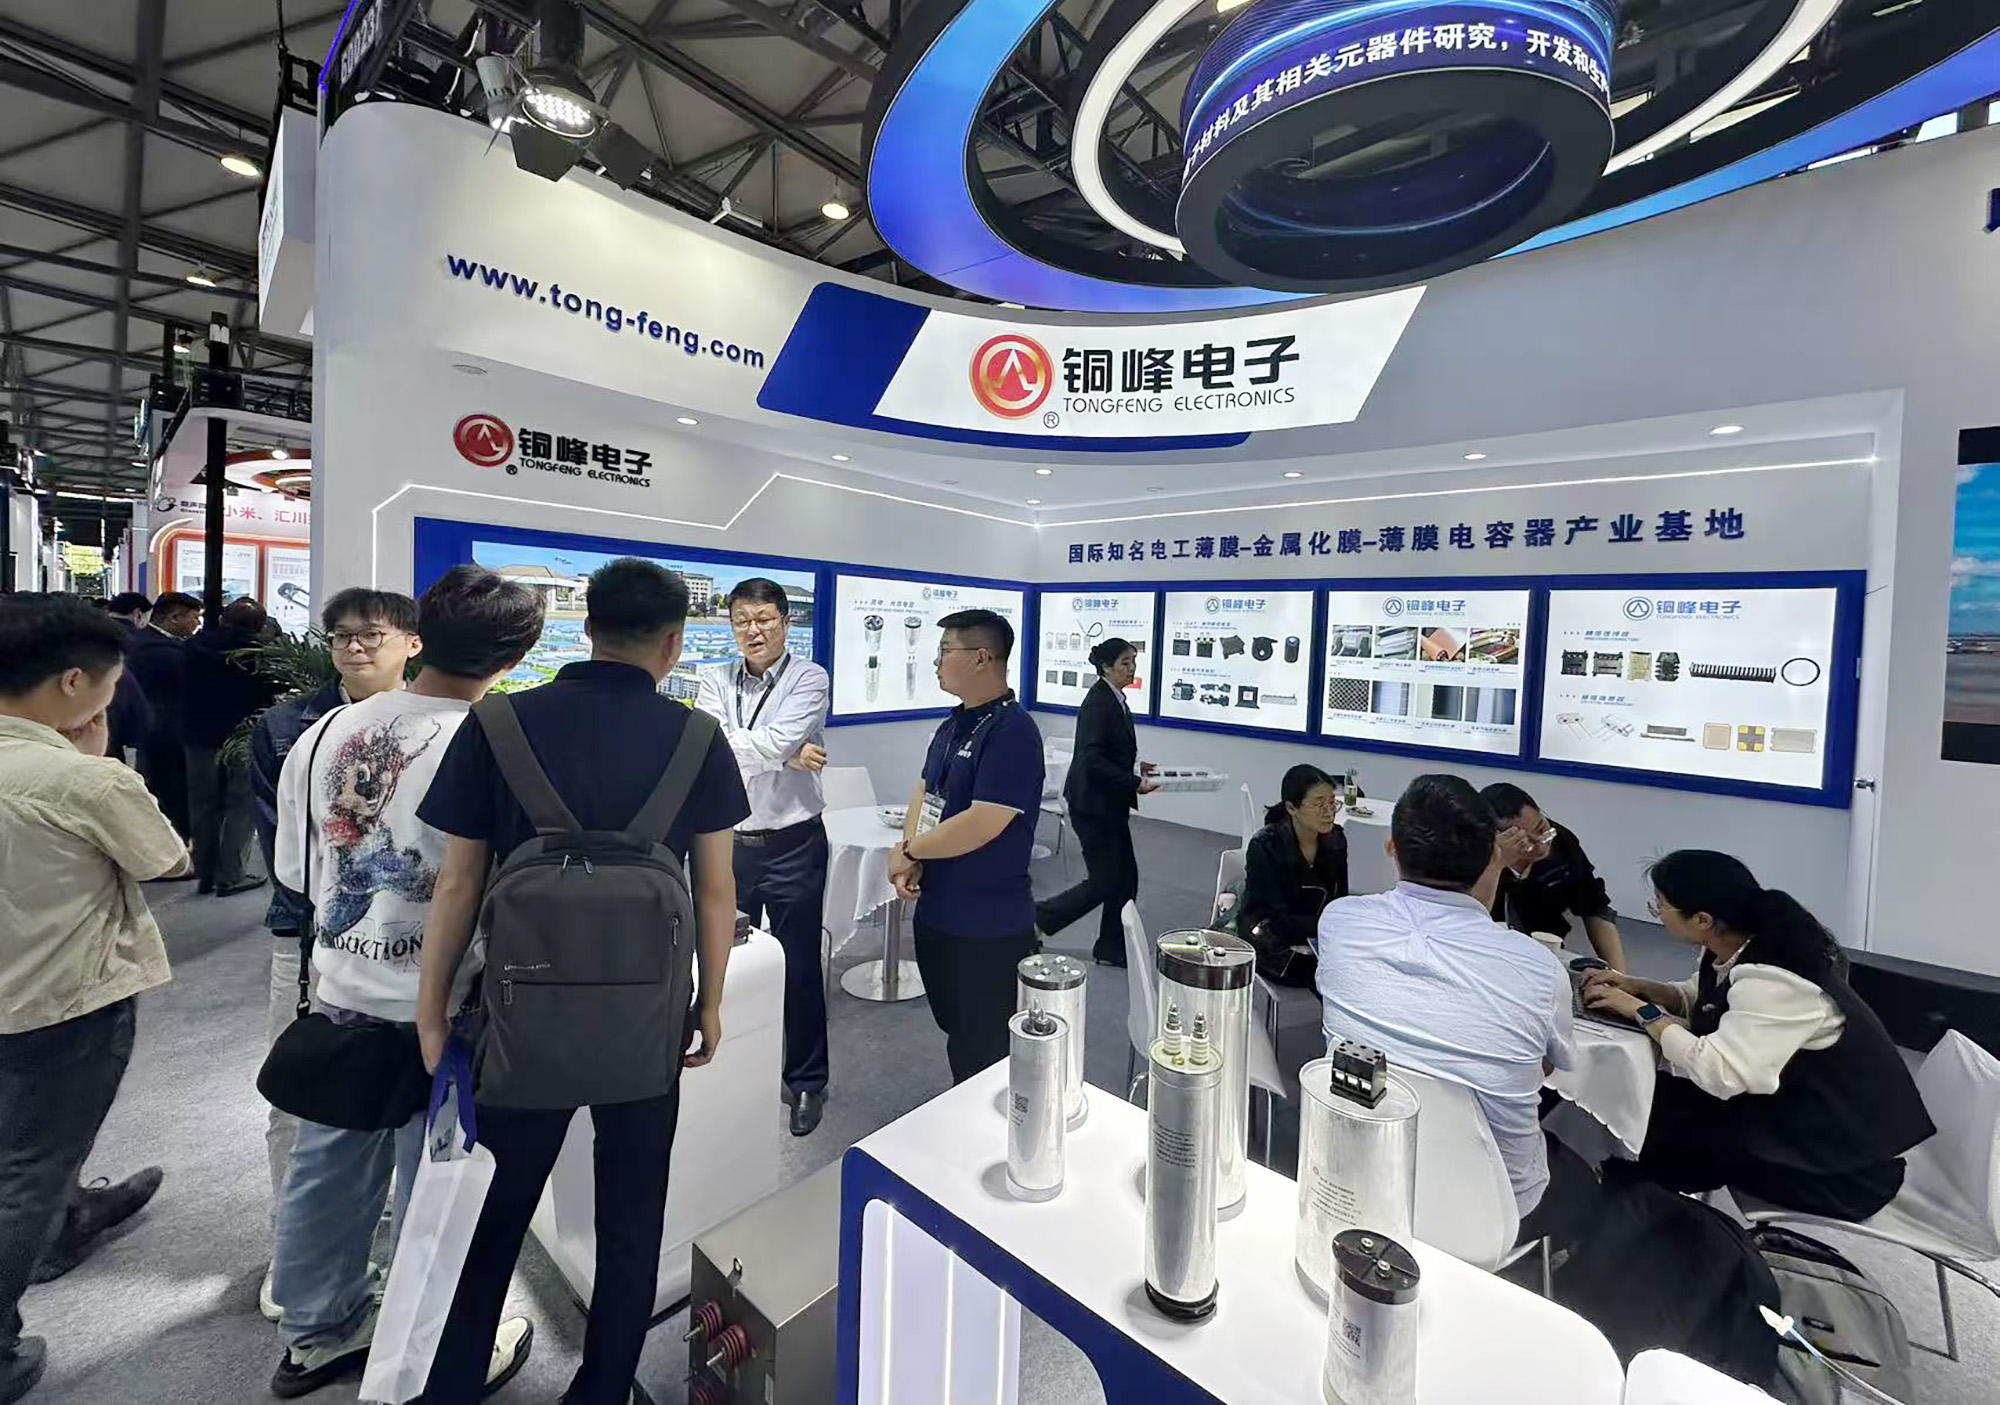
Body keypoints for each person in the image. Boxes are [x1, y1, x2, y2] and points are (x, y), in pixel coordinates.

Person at [415, 558, 747, 1405]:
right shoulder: (698, 738)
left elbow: (459, 883)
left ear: (586, 626)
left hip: (518, 1021)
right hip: (647, 1025)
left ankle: (452, 1383)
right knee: (631, 1218)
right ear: (674, 643)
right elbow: (715, 888)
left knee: (491, 1215)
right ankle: (602, 1389)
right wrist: (710, 1001)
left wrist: (431, 1009)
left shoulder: (496, 723)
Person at [264, 569, 540, 1398]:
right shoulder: (498, 742)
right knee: (440, 1183)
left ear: (422, 637)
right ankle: (431, 1350)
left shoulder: (326, 731)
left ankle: (316, 1331)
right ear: (515, 657)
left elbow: (295, 869)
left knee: (327, 1169)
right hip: (453, 1004)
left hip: (342, 985)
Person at [0, 596, 185, 1404]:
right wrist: (100, 757)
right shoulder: (83, 778)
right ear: (74, 683)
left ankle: (73, 1210)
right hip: (60, 999)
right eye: (111, 684)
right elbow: (165, 859)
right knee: (31, 1166)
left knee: (26, 1147)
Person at [1584, 851, 1935, 1221]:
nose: (1657, 913)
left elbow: (1721, 1072)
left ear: (1702, 920)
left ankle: (1634, 1216)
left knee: (1657, 1114)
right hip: (1798, 1125)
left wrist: (1642, 1012)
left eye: (1660, 906)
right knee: (1647, 1095)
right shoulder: (1740, 945)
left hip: (1838, 1174)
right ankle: (1633, 1205)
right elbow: (1709, 1001)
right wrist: (1640, 988)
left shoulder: (1775, 979)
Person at [1317, 775, 1587, 1244]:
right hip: (1492, 1210)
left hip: (1360, 1177)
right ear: (1493, 855)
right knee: (1585, 1178)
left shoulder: (1340, 922)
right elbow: (1548, 1067)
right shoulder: (1538, 968)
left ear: (1391, 847)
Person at [249, 588, 420, 1322]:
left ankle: (387, 1258)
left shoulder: (438, 724)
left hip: (417, 949)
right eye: (341, 636)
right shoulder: (292, 728)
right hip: (317, 940)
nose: (354, 647)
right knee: (308, 1096)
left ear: (411, 642)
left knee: (413, 1109)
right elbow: (289, 857)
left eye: (370, 634)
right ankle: (298, 1255)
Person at [695, 578, 833, 1137]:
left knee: (799, 965)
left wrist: (772, 747)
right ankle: (728, 1069)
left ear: (785, 622)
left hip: (794, 843)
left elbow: (747, 744)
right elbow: (708, 747)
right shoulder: (713, 677)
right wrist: (784, 754)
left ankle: (807, 1080)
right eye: (742, 621)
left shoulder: (810, 677)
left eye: (764, 619)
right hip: (727, 844)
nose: (753, 631)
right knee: (720, 961)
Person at [889, 609, 1045, 1084]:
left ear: (980, 658)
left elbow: (983, 822)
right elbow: (925, 791)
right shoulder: (954, 724)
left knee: (986, 1049)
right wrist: (911, 848)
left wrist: (911, 852)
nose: (936, 662)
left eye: (945, 651)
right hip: (940, 912)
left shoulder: (1013, 732)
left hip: (987, 924)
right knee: (958, 1033)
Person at [1034, 637, 1156, 967]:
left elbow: (1109, 751)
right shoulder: (1099, 703)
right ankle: (1040, 916)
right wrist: (1134, 782)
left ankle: (1111, 946)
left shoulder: (1114, 698)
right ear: (1106, 666)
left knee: (1125, 878)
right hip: (1093, 806)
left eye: (1133, 662)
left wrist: (1136, 768)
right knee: (1106, 880)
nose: (1131, 669)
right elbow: (1091, 759)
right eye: (1125, 663)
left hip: (1108, 804)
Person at [182, 597, 281, 895]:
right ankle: (230, 875)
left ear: (223, 619)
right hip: (243, 737)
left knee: (202, 805)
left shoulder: (192, 648)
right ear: (260, 626)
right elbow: (271, 693)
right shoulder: (261, 654)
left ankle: (204, 871)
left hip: (198, 735)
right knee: (241, 805)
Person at [1481, 782, 1628, 970]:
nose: (1541, 845)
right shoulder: (1477, 856)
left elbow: (1594, 907)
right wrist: (1495, 864)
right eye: (1524, 842)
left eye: (1541, 828)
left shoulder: (1563, 843)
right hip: (1489, 953)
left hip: (1546, 947)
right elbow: (1467, 914)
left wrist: (1620, 977)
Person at [1238, 764, 1348, 987]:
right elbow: (1276, 917)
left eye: (1332, 803)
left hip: (1313, 933)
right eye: (1319, 804)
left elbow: (1339, 900)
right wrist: (1329, 927)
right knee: (1328, 977)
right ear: (1291, 807)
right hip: (1269, 936)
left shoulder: (1336, 839)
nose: (1329, 812)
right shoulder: (1266, 846)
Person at [127, 591, 199, 836]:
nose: (197, 624)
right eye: (194, 618)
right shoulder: (165, 651)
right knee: (169, 792)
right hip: (167, 731)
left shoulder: (138, 641)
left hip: (150, 729)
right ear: (175, 618)